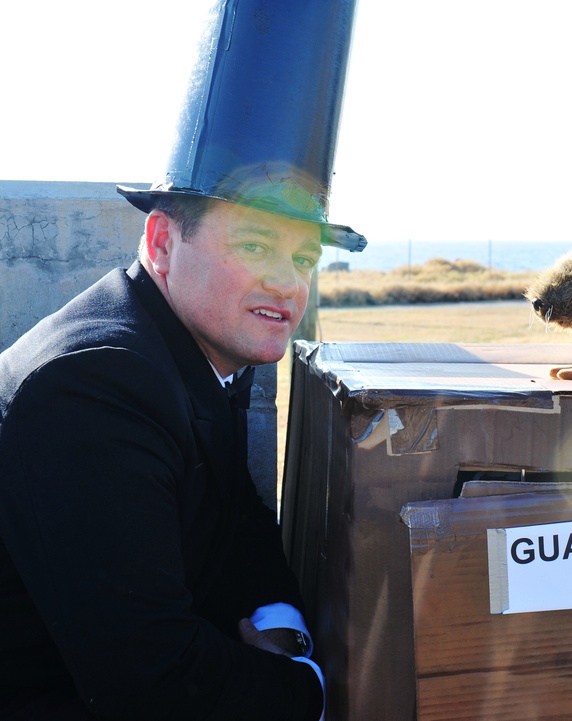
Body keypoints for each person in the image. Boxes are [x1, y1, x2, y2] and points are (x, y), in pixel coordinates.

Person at [0, 193, 327, 720]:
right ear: (162, 243)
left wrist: (281, 629)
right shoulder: (95, 386)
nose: (289, 283)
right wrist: (306, 689)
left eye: (304, 259)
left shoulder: (185, 348)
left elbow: (238, 516)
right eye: (253, 245)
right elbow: (150, 676)